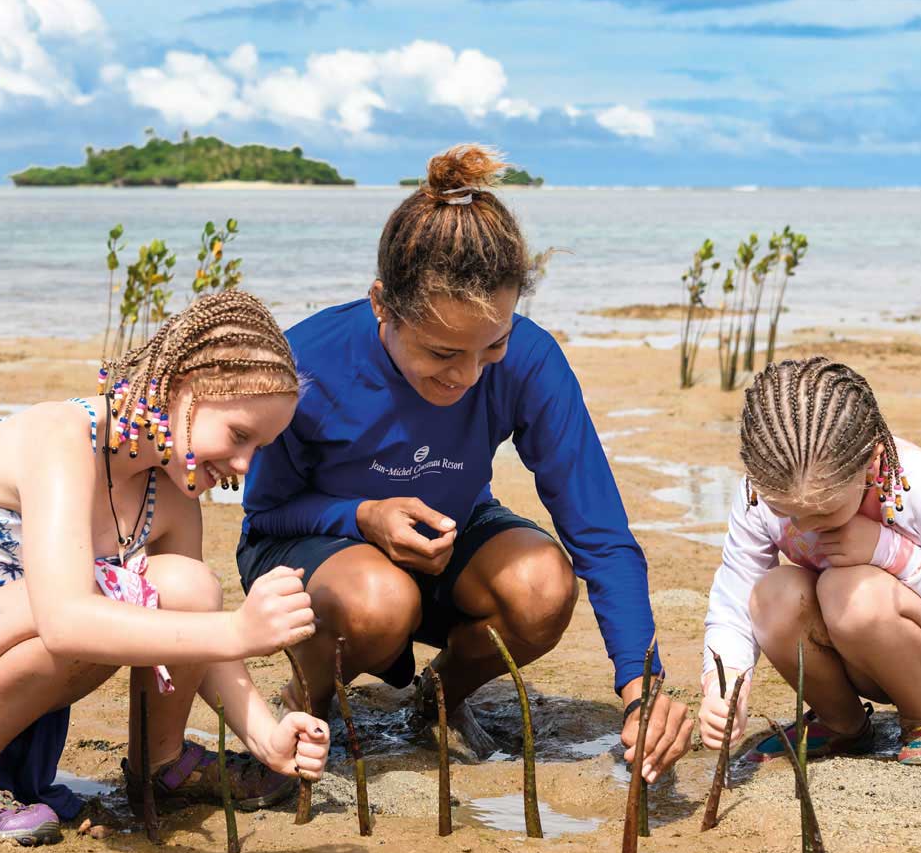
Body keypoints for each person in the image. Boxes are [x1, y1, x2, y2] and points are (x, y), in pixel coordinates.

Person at [238, 145, 690, 783]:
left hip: (450, 539)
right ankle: (304, 707)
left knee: (543, 587)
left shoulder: (530, 362)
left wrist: (641, 688)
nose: (468, 376)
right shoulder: (308, 365)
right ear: (381, 305)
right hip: (316, 544)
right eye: (442, 352)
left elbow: (601, 533)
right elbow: (265, 516)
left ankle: (439, 698)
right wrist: (362, 516)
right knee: (378, 601)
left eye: (492, 345)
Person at [0, 291, 330, 842]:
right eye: (239, 435)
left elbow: (194, 628)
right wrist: (242, 629)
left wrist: (267, 736)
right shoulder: (61, 439)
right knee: (90, 597)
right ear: (184, 385)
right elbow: (64, 620)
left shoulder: (169, 496)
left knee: (188, 585)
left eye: (260, 448)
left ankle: (162, 766)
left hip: (4, 685)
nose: (243, 464)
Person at [698, 356, 921, 774]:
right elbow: (736, 591)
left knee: (849, 590)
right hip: (854, 648)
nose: (803, 527)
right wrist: (726, 683)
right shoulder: (761, 492)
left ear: (871, 464)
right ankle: (841, 722)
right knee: (770, 594)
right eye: (785, 512)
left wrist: (889, 550)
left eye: (823, 513)